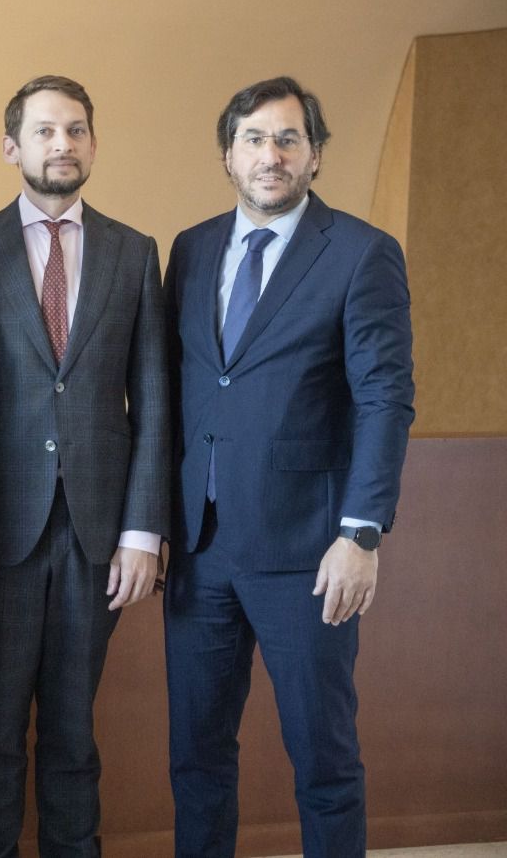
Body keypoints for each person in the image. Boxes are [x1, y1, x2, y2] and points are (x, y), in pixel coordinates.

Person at [162, 75, 415, 858]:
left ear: (314, 156)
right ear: (226, 156)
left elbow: (385, 398)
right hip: (199, 550)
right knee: (197, 757)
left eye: (287, 139)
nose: (269, 155)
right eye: (253, 139)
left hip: (308, 553)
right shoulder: (193, 247)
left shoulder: (362, 253)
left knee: (323, 758)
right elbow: (178, 389)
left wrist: (361, 533)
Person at [0, 75, 170, 856]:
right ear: (12, 147)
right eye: (43, 131)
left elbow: (155, 401)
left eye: (75, 130)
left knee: (74, 731)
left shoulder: (136, 253)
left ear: (93, 144)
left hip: (97, 533)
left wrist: (143, 529)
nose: (61, 144)